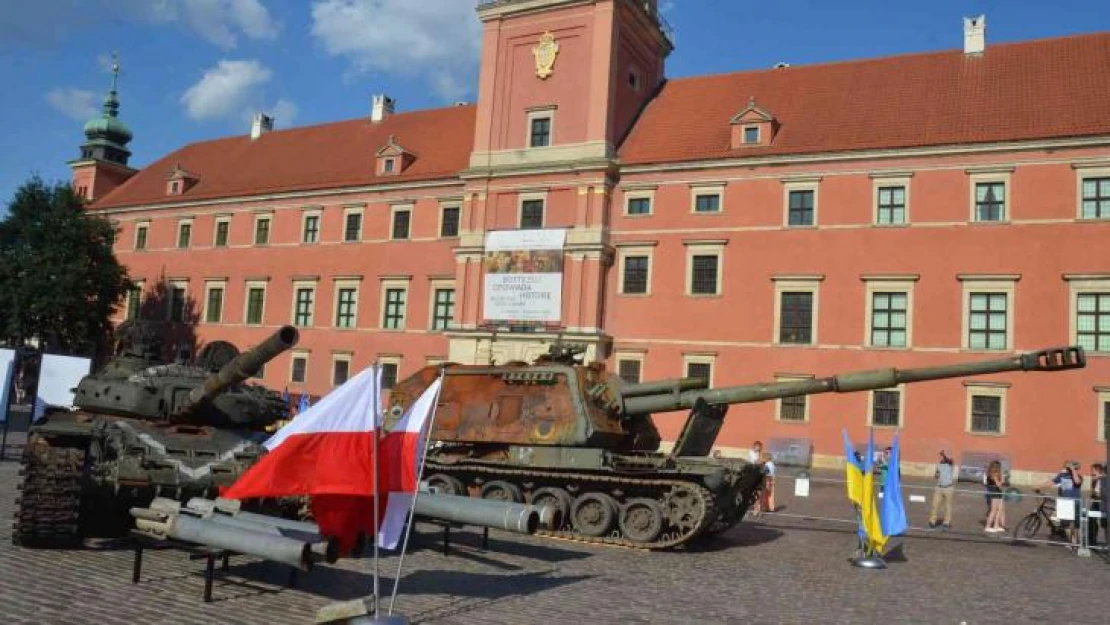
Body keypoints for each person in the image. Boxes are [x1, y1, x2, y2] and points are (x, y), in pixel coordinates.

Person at [1038, 460, 1083, 546]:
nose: (1068, 469)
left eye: (1074, 468)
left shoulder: (1079, 477)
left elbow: (1077, 482)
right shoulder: (1062, 476)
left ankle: (1075, 542)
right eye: (1068, 468)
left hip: (1075, 503)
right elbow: (1051, 482)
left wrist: (1073, 470)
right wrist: (1038, 486)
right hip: (1065, 503)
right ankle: (1069, 540)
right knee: (1065, 523)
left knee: (1075, 524)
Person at [928, 450, 956, 531]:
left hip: (948, 488)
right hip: (939, 487)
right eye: (942, 456)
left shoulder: (950, 464)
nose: (942, 458)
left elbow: (950, 460)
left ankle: (946, 522)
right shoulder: (938, 464)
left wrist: (944, 455)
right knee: (934, 505)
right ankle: (932, 521)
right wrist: (937, 474)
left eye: (943, 456)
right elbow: (936, 475)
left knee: (948, 506)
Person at [983, 460, 1006, 533]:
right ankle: (988, 526)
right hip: (994, 492)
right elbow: (999, 485)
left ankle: (996, 525)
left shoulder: (996, 474)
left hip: (998, 493)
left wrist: (1002, 478)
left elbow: (1001, 484)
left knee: (999, 509)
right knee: (993, 510)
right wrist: (1001, 479)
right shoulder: (993, 475)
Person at [1087, 463, 1105, 547]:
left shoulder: (1101, 479)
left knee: (1100, 522)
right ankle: (1092, 540)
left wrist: (1094, 493)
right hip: (1096, 502)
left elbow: (1098, 493)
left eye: (1093, 470)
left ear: (1097, 470)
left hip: (1101, 503)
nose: (1091, 472)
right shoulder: (1095, 479)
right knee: (1092, 521)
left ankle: (1093, 540)